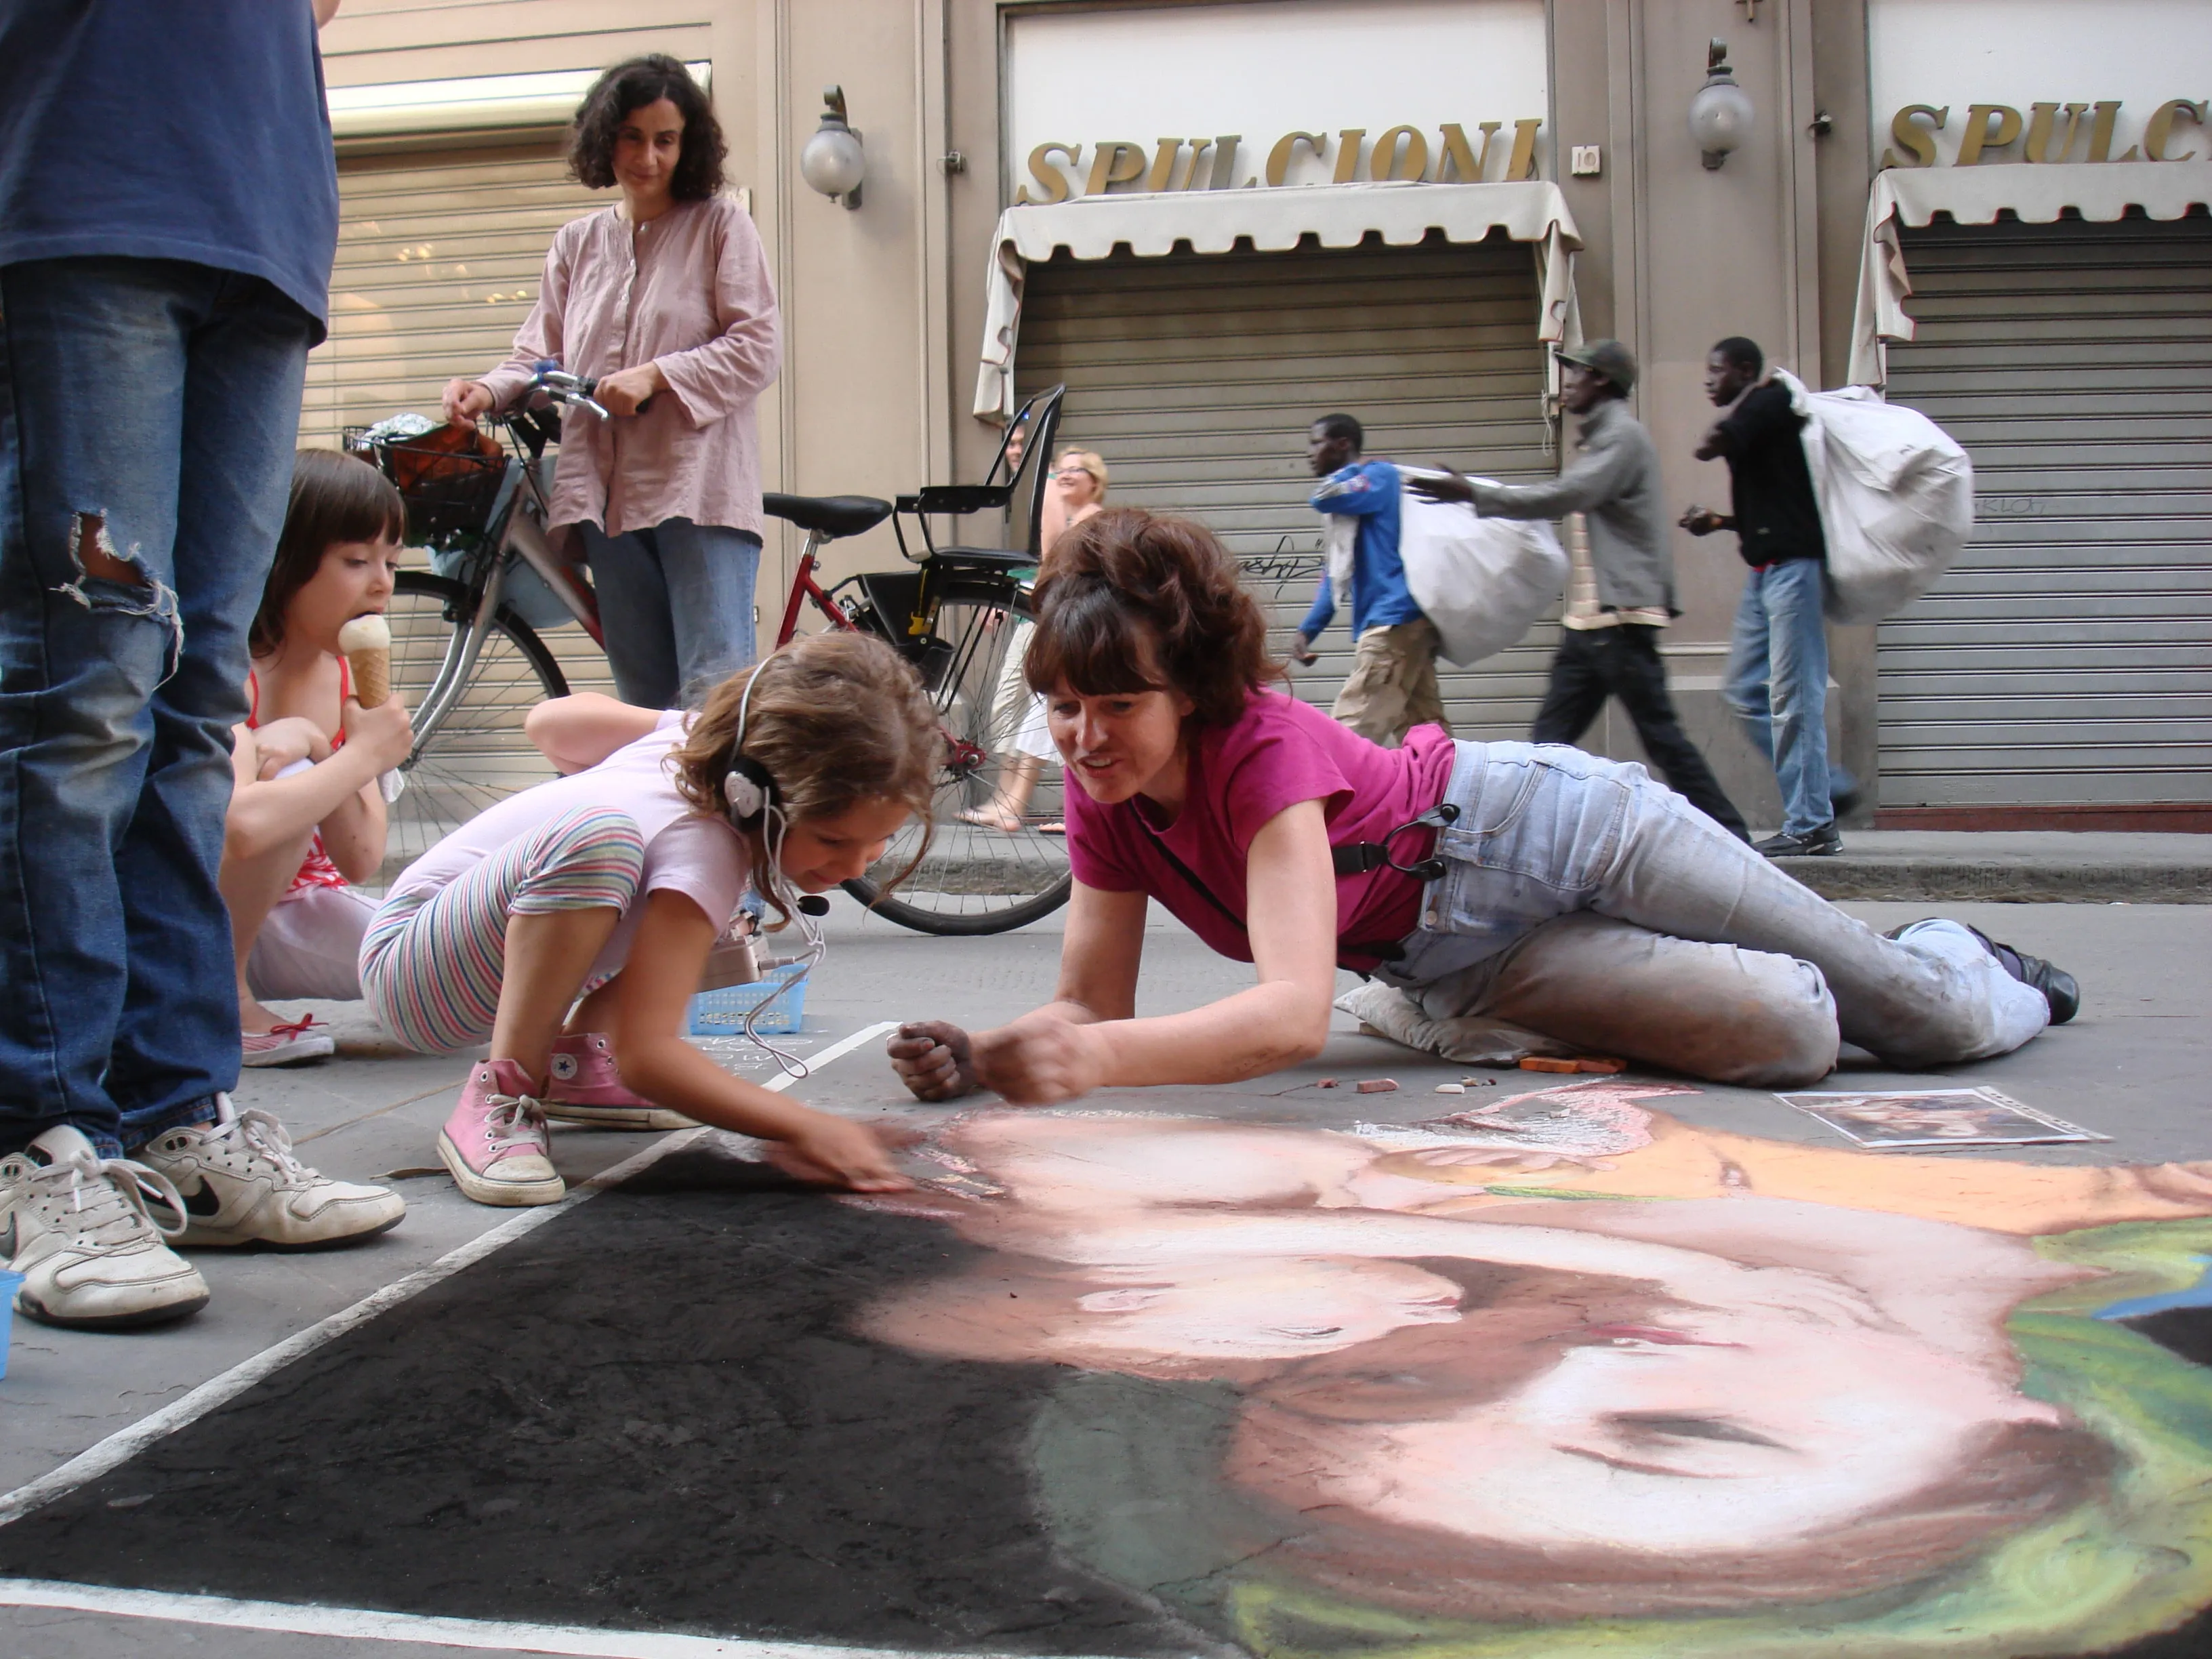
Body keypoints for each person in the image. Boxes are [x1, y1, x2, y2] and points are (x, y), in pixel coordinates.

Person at [857, 1101, 2212, 1650]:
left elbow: (1001, 1234)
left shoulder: (1347, 1237)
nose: (1561, 1362)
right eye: (1691, 1435)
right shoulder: (2136, 1215)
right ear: (2027, 1444)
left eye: (1400, 1387)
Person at [886, 508, 2078, 1107]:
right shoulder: (1105, 791)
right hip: (1456, 958)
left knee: (1921, 1022)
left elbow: (1288, 1017)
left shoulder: (1254, 746)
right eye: (1063, 704)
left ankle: (1958, 953)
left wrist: (1085, 1061)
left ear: (1187, 690)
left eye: (1116, 703)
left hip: (1563, 830)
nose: (1083, 737)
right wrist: (985, 1055)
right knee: (1791, 1038)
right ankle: (1429, 1007)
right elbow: (1090, 1005)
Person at [0, 0, 412, 1333]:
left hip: (259, 199)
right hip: (78, 176)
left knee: (190, 702)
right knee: (83, 690)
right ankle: (40, 1135)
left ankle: (180, 1113)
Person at [360, 633, 932, 1208]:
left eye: (881, 840)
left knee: (681, 898)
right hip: (415, 971)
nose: (854, 865)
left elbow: (549, 723)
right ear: (753, 791)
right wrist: (810, 1126)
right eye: (832, 839)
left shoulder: (697, 745)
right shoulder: (706, 842)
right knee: (601, 839)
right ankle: (504, 1090)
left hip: (472, 952)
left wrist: (707, 725)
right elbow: (648, 1055)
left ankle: (575, 1057)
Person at [443, 55, 779, 710]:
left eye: (665, 139)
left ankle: (731, 816)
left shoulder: (721, 225)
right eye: (632, 136)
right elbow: (538, 356)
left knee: (714, 700)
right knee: (642, 704)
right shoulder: (575, 244)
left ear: (689, 145)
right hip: (606, 497)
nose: (647, 157)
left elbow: (758, 346)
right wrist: (485, 390)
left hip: (698, 490)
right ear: (605, 138)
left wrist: (657, 375)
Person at [1412, 341, 1748, 840]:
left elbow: (1568, 494)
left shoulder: (1621, 439)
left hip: (1622, 620)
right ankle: (1527, 839)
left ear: (1604, 382)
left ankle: (1731, 835)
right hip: (1591, 624)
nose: (1567, 382)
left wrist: (1475, 494)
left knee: (1659, 738)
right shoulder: (1601, 438)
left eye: (1578, 374)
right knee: (1549, 744)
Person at [222, 452, 416, 1067]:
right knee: (290, 782)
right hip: (197, 913)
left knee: (434, 967)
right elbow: (241, 828)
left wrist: (334, 743)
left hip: (300, 912)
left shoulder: (345, 681)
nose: (381, 583)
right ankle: (217, 1002)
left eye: (391, 562)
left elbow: (358, 858)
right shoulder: (224, 669)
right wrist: (346, 755)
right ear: (285, 562)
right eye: (356, 561)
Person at [1680, 336, 1859, 858]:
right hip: (1765, 573)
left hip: (1793, 573)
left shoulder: (1769, 399)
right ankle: (1829, 789)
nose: (1709, 380)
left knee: (1794, 697)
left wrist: (1712, 440)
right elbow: (1780, 504)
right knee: (1743, 692)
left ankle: (1812, 824)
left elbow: (1715, 440)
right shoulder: (1763, 425)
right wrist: (1720, 522)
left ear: (1744, 370)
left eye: (1717, 371)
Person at [966, 449, 1109, 834]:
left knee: (1052, 714)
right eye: (1060, 470)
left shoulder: (1091, 520)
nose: (1065, 476)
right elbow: (1045, 571)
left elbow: (1061, 573)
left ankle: (1053, 808)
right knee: (1025, 710)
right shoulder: (1067, 518)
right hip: (1046, 619)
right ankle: (1008, 801)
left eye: (1074, 471)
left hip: (1068, 624)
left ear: (1094, 480)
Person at [1293, 414, 1446, 748]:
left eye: (1317, 443)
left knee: (1349, 732)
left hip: (1393, 623)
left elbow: (1324, 494)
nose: (1310, 452)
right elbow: (1335, 576)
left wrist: (1356, 468)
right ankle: (1453, 797)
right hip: (1404, 626)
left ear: (1343, 444)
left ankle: (1326, 799)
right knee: (1427, 735)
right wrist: (1307, 632)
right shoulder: (1349, 515)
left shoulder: (1378, 475)